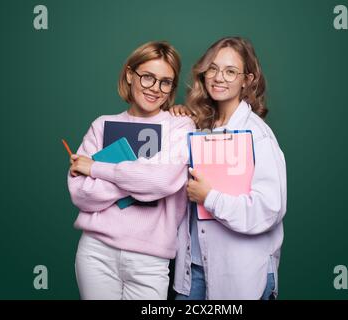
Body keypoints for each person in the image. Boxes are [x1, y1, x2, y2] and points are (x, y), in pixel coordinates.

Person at [67, 41, 195, 300]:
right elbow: (81, 194)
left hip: (151, 258)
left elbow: (160, 181)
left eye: (165, 82)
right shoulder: (102, 125)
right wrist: (139, 179)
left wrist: (96, 168)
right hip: (96, 252)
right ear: (129, 74)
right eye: (147, 77)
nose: (155, 89)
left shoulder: (180, 126)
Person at [170, 37, 287, 300]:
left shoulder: (259, 136)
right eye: (213, 68)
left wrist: (209, 197)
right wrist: (177, 119)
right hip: (194, 269)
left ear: (247, 79)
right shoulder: (199, 127)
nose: (219, 77)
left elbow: (269, 209)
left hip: (241, 274)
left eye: (230, 71)